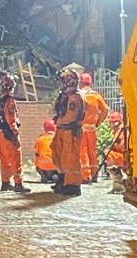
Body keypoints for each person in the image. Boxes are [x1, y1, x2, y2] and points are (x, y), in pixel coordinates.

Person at [51, 68, 85, 196]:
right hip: (62, 130)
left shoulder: (74, 98)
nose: (60, 84)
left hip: (70, 131)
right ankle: (63, 180)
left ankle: (73, 184)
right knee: (58, 155)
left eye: (62, 81)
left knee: (70, 158)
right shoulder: (65, 96)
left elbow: (71, 116)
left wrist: (59, 120)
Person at [0, 72, 30, 193]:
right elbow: (11, 118)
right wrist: (15, 132)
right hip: (9, 133)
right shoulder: (10, 101)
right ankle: (18, 183)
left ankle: (5, 182)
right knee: (15, 158)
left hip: (0, 132)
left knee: (4, 159)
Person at [78, 72, 109, 184]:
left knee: (83, 151)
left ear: (80, 82)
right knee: (92, 151)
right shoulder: (96, 95)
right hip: (92, 128)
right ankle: (94, 174)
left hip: (81, 128)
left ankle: (86, 176)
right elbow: (105, 110)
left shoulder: (79, 95)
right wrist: (98, 122)